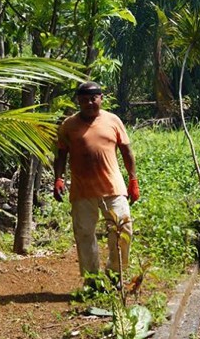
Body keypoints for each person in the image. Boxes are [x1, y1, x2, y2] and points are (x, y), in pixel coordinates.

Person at [53, 81, 139, 287]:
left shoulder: (113, 120)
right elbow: (61, 154)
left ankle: (115, 273)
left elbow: (127, 152)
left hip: (113, 187)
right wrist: (58, 178)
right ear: (78, 101)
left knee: (123, 229)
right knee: (84, 234)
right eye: (84, 99)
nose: (89, 103)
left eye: (93, 98)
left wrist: (133, 179)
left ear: (101, 98)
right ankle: (92, 280)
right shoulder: (68, 125)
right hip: (82, 189)